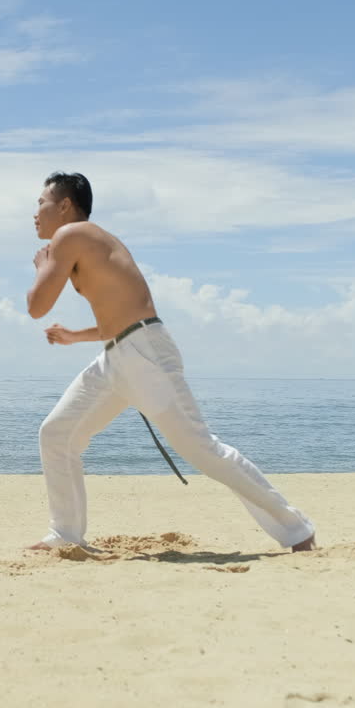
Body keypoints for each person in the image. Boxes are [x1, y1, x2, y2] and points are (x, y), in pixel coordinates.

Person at [24, 172, 315, 552]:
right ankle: (66, 535)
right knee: (57, 433)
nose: (35, 213)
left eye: (41, 203)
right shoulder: (88, 241)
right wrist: (77, 335)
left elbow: (37, 306)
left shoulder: (71, 235)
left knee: (201, 450)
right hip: (119, 353)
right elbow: (121, 313)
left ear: (64, 205)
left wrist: (42, 267)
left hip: (143, 354)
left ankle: (296, 529)